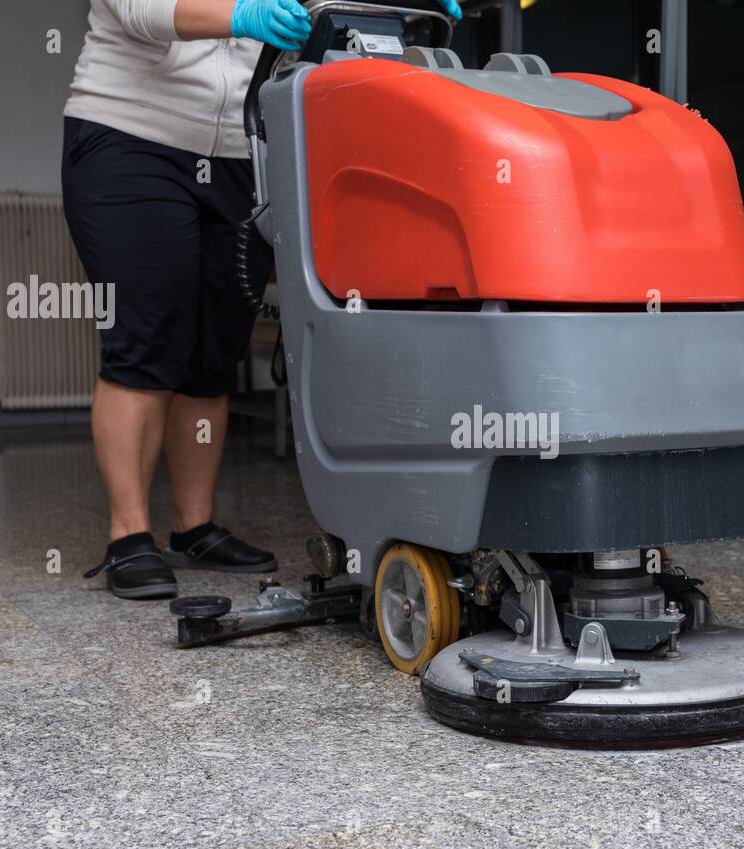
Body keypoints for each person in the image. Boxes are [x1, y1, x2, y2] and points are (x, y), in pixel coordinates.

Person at [65, 0, 462, 599]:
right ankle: (128, 536)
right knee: (146, 339)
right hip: (132, 137)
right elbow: (143, 13)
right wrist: (242, 15)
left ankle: (193, 527)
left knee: (215, 350)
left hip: (240, 146)